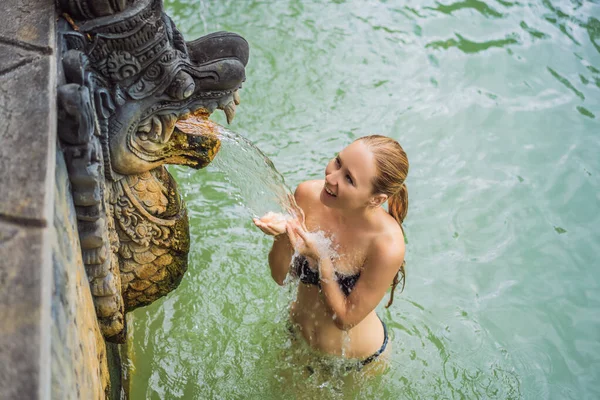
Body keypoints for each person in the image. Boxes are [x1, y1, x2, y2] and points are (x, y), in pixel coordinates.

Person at [253, 135, 409, 371]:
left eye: (349, 179)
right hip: (297, 339)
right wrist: (284, 234)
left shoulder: (386, 244)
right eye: (338, 162)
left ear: (376, 199)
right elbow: (279, 277)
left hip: (355, 363)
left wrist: (321, 259)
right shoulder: (306, 195)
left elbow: (345, 320)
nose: (331, 177)